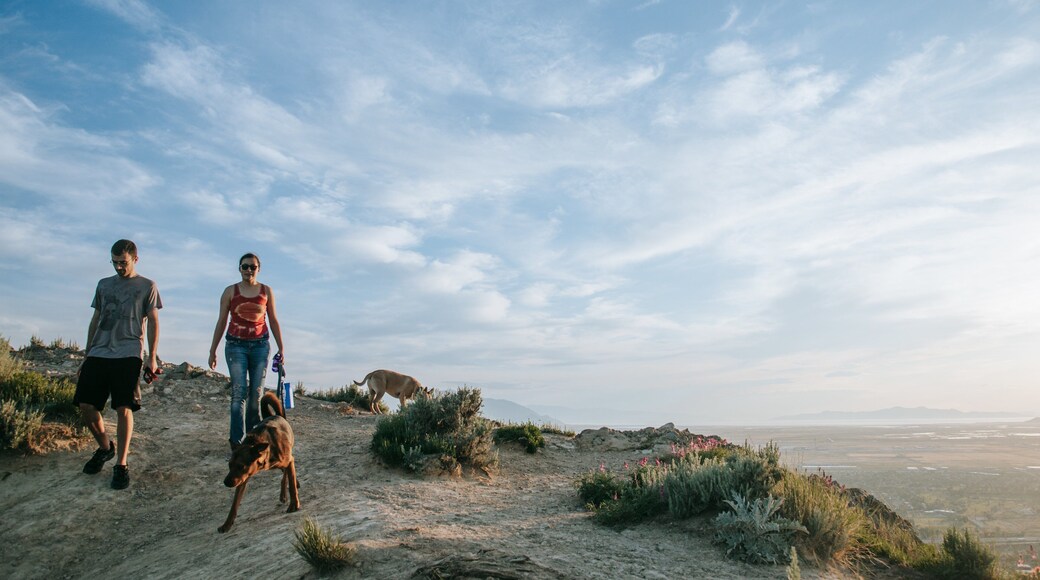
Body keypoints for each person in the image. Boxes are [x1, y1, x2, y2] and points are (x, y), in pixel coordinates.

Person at [75, 239, 162, 490]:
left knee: (124, 407)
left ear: (135, 259)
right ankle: (105, 448)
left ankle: (121, 464)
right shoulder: (103, 285)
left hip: (128, 353)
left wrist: (152, 356)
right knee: (86, 405)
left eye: (123, 263)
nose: (119, 268)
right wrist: (86, 354)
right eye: (114, 263)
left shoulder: (148, 286)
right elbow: (96, 318)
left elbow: (154, 322)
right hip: (99, 352)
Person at [208, 253, 285, 452]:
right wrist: (213, 350)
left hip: (260, 345)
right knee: (238, 392)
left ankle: (253, 438)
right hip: (235, 345)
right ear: (239, 268)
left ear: (258, 268)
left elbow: (273, 320)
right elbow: (221, 321)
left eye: (252, 267)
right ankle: (236, 442)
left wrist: (281, 347)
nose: (248, 270)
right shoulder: (230, 292)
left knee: (256, 394)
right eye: (245, 267)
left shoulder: (266, 291)